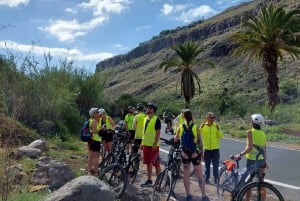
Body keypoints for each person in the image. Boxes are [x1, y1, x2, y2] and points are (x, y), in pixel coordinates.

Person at [174, 109, 209, 201]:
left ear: (183, 116)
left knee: (186, 175)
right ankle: (204, 196)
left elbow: (175, 139)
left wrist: (176, 132)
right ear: (192, 116)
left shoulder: (180, 127)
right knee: (199, 175)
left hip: (185, 153)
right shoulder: (196, 127)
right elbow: (200, 141)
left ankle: (188, 195)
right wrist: (201, 152)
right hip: (194, 153)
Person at [234, 114, 268, 201]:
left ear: (253, 122)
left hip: (252, 161)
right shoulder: (263, 134)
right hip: (261, 161)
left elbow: (249, 148)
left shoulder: (250, 132)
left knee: (247, 182)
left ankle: (247, 199)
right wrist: (265, 161)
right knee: (261, 183)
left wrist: (240, 154)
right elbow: (264, 149)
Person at [140, 102, 161, 187]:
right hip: (146, 144)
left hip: (153, 146)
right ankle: (149, 180)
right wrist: (142, 143)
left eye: (149, 107)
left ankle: (158, 182)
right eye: (147, 107)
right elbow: (144, 132)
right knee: (148, 163)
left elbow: (158, 133)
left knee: (156, 164)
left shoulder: (156, 119)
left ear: (153, 110)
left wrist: (155, 144)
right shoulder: (145, 118)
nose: (147, 109)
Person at [200, 112, 223, 184]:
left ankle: (216, 179)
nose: (212, 119)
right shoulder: (203, 126)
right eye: (211, 117)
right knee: (207, 165)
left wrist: (219, 129)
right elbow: (198, 135)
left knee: (215, 165)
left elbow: (220, 136)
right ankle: (206, 178)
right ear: (207, 118)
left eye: (213, 117)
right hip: (206, 149)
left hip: (215, 149)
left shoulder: (216, 126)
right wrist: (200, 127)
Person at [87, 107, 101, 175]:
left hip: (91, 139)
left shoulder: (90, 120)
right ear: (93, 114)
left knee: (91, 155)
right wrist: (101, 129)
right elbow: (94, 131)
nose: (98, 113)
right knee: (96, 156)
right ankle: (96, 171)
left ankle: (89, 170)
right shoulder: (94, 121)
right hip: (95, 140)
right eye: (97, 112)